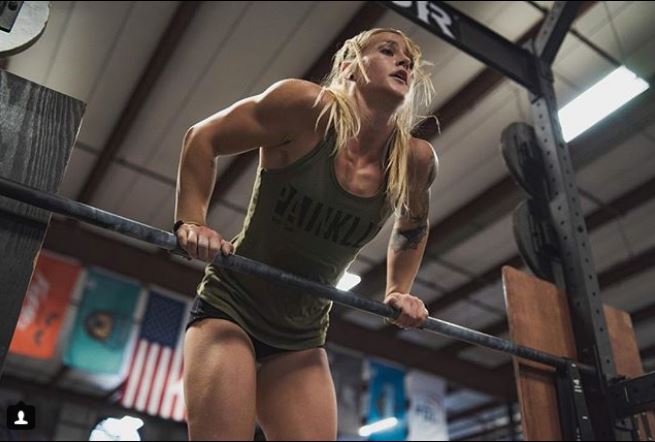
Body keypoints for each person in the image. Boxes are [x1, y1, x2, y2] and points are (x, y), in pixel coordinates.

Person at [175, 28, 438, 441]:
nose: (404, 62)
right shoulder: (304, 110)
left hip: (301, 334)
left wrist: (398, 290)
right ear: (349, 67)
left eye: (409, 59)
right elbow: (203, 138)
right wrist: (191, 221)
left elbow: (413, 223)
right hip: (232, 307)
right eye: (388, 51)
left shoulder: (414, 160)